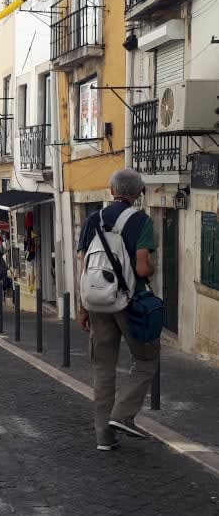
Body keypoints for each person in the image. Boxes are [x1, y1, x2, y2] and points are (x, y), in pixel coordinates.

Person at [77, 168, 157, 452]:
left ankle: (103, 437)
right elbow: (142, 266)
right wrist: (152, 269)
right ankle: (122, 415)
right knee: (146, 361)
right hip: (132, 303)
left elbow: (84, 265)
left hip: (97, 301)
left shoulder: (92, 219)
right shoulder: (141, 221)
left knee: (102, 367)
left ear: (112, 191)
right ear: (138, 194)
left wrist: (82, 306)